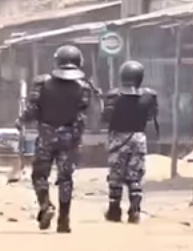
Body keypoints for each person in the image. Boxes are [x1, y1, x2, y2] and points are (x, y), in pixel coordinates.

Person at [16, 44, 92, 233]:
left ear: (57, 61)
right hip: (69, 138)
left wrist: (21, 120)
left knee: (39, 175)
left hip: (46, 136)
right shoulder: (83, 88)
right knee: (66, 178)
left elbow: (33, 110)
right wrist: (77, 140)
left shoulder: (42, 83)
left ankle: (46, 205)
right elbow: (82, 117)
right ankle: (64, 220)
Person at [101, 61, 157, 224]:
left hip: (118, 137)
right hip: (138, 138)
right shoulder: (149, 96)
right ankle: (135, 210)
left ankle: (114, 211)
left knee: (115, 176)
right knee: (135, 175)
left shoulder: (113, 95)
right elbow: (151, 115)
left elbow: (105, 118)